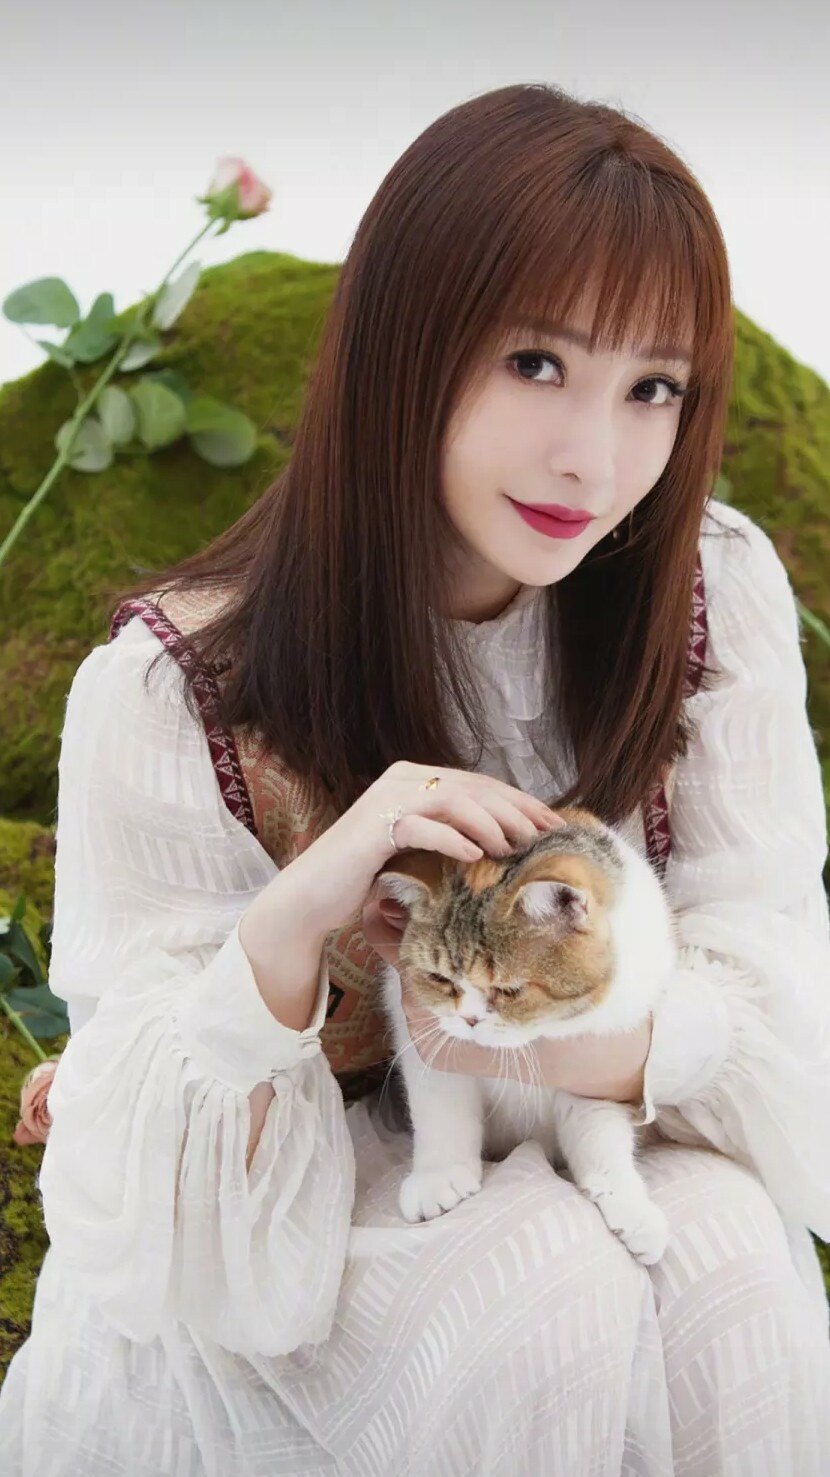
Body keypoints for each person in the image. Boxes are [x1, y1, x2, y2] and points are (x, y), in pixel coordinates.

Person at [1, 81, 829, 1477]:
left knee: (733, 1259)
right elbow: (154, 1199)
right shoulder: (168, 690)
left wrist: (534, 1031)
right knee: (540, 1287)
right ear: (404, 344)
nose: (593, 459)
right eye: (535, 363)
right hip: (303, 1237)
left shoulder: (706, 591)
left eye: (652, 388)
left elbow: (768, 986)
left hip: (585, 1118)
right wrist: (294, 919)